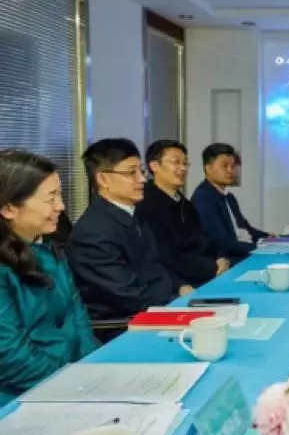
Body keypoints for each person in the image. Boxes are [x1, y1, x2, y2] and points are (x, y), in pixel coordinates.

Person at [0, 150, 98, 405]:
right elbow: (10, 356)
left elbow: (78, 317)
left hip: (75, 381)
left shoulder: (48, 249)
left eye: (60, 195)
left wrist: (93, 369)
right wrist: (72, 386)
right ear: (9, 208)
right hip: (22, 396)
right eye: (50, 198)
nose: (60, 206)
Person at [66, 138, 189, 327]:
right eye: (131, 172)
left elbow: (156, 268)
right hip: (120, 325)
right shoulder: (93, 232)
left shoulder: (133, 214)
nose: (142, 179)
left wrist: (175, 288)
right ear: (103, 179)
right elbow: (131, 296)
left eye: (141, 171)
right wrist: (169, 290)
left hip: (155, 308)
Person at [136, 140, 230, 287]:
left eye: (185, 163)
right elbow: (165, 256)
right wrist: (211, 268)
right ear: (154, 166)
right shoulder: (146, 204)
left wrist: (220, 259)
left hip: (205, 272)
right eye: (176, 162)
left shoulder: (185, 204)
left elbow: (203, 239)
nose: (183, 168)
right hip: (177, 283)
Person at [191, 143, 272, 262]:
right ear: (208, 169)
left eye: (232, 166)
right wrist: (262, 248)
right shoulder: (204, 198)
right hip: (230, 259)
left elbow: (245, 228)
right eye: (224, 166)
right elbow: (223, 243)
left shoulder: (229, 197)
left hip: (246, 251)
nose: (230, 170)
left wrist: (268, 237)